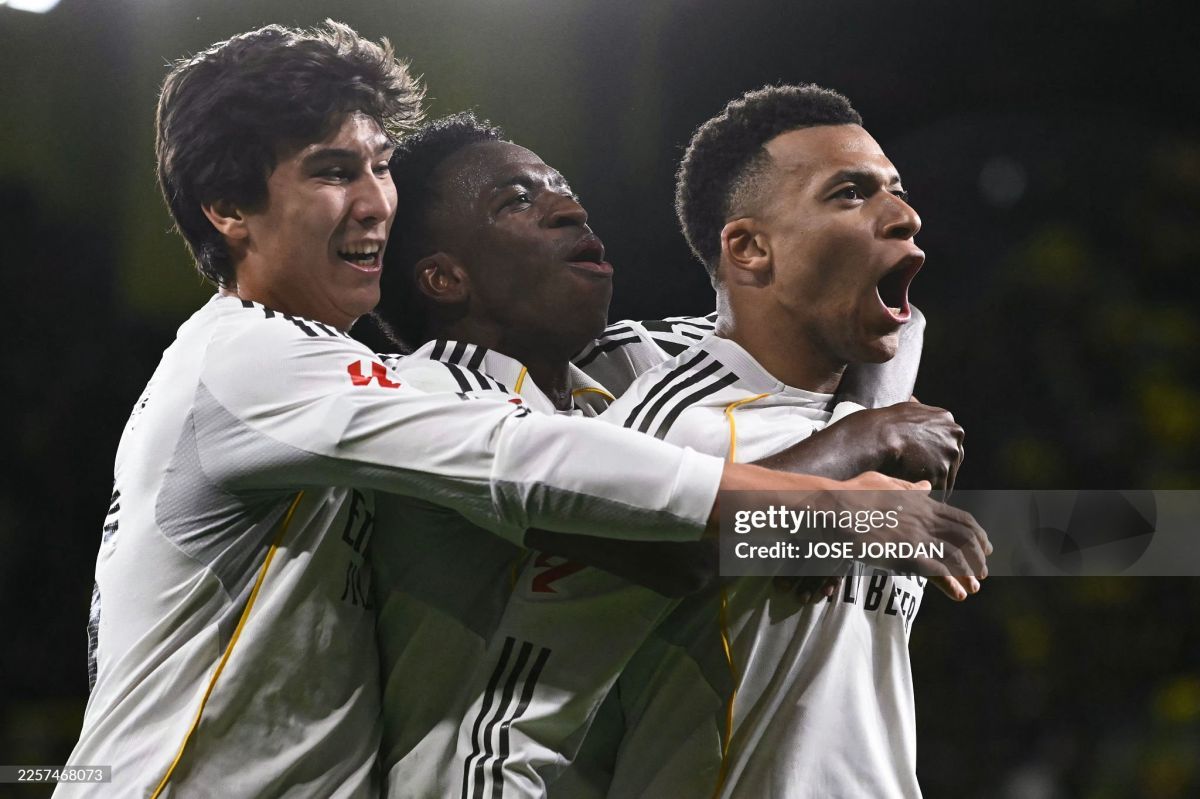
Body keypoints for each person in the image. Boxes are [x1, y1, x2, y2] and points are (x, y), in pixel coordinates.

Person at [58, 25, 893, 797]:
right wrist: (825, 495)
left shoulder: (338, 377)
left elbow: (768, 335)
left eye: (380, 165)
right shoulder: (256, 361)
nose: (376, 201)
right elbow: (531, 466)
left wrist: (885, 350)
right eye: (333, 172)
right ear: (228, 208)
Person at [368, 112, 987, 797]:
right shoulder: (431, 403)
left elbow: (862, 319)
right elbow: (667, 545)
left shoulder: (623, 365)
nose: (570, 209)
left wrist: (867, 426)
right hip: (472, 777)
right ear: (444, 278)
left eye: (562, 186)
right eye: (518, 200)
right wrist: (837, 491)